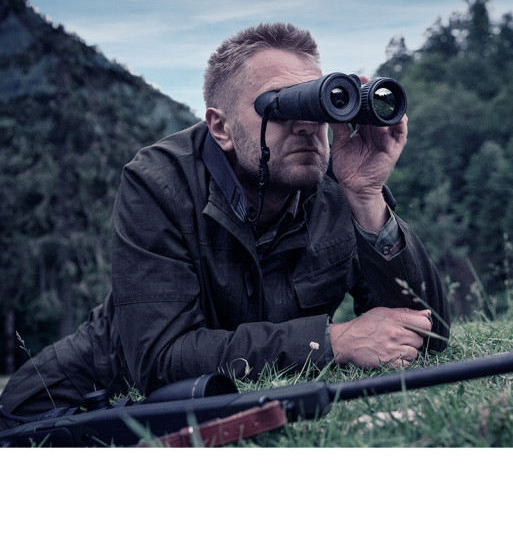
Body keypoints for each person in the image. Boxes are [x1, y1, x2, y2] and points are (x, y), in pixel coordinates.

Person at [0, 22, 450, 427]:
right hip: (71, 399)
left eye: (317, 102)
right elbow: (160, 359)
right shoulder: (160, 182)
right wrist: (331, 341)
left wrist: (366, 196)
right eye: (280, 105)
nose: (306, 126)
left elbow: (428, 332)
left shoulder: (340, 185)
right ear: (221, 127)